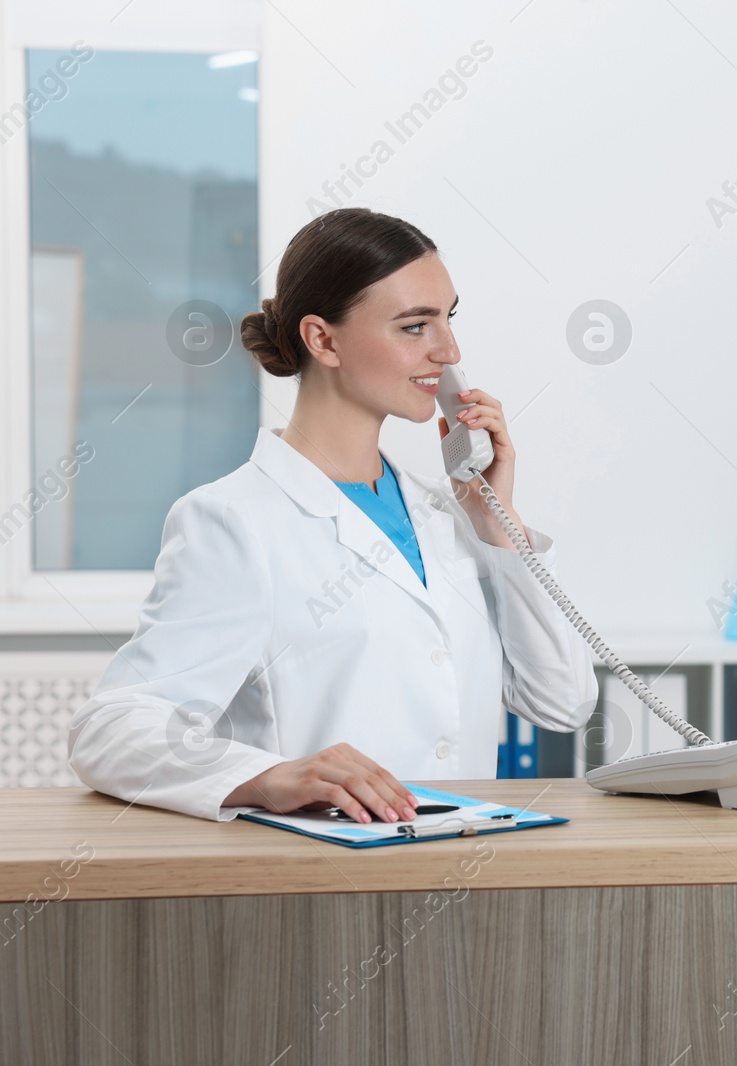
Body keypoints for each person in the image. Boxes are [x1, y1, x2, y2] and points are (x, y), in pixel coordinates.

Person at [70, 207, 598, 824]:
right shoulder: (234, 521)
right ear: (323, 339)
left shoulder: (451, 515)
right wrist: (266, 777)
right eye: (414, 326)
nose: (449, 350)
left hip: (463, 870)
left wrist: (496, 521)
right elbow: (109, 730)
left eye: (447, 319)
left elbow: (563, 703)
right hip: (323, 884)